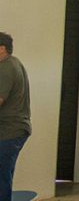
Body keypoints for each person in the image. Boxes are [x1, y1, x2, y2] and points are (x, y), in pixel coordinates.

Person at [0, 32, 30, 201]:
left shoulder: (6, 68)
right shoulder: (15, 63)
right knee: (4, 172)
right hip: (16, 130)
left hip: (9, 131)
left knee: (1, 175)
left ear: (2, 49)